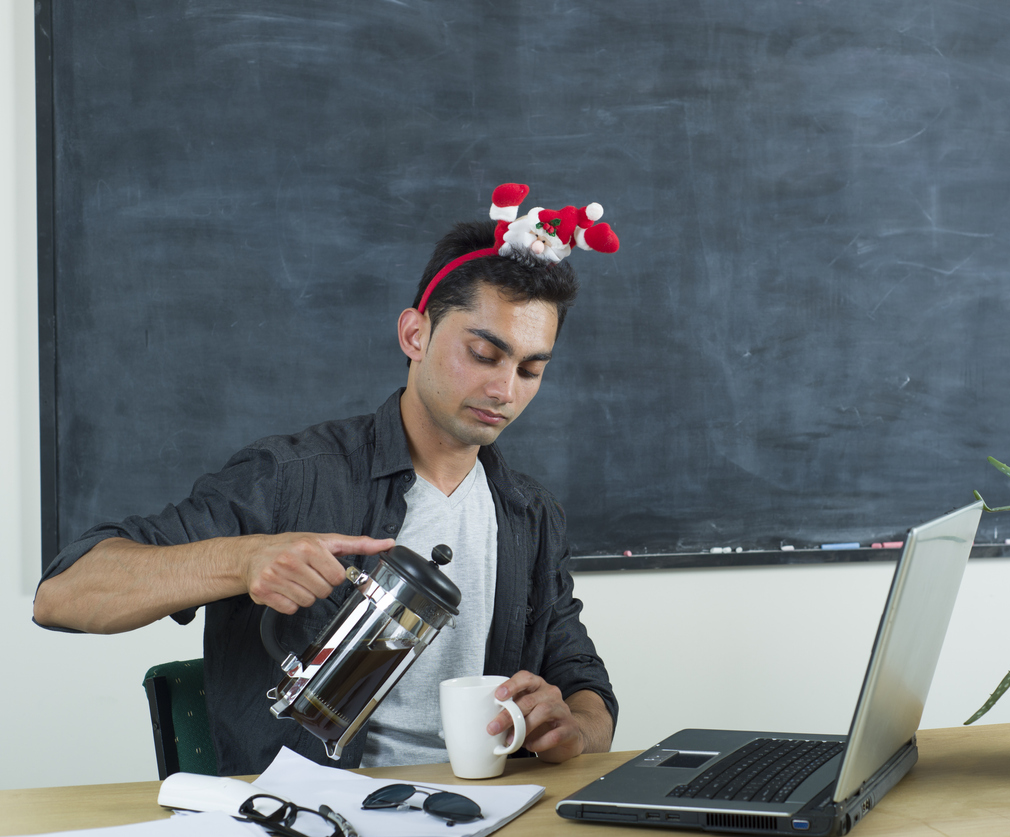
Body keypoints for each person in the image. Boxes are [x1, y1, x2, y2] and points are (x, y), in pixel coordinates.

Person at [33, 183, 622, 776]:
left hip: (481, 807)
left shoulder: (530, 514)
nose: (505, 390)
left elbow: (587, 690)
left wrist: (572, 726)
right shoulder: (288, 478)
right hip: (313, 812)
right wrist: (244, 561)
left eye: (530, 369)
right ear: (415, 335)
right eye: (484, 354)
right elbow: (61, 595)